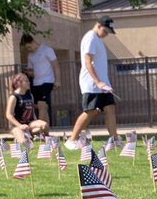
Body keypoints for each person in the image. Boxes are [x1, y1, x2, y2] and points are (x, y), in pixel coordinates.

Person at [65, 16, 118, 149]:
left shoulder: (97, 40)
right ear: (98, 25)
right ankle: (72, 140)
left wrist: (104, 83)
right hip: (92, 84)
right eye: (105, 31)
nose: (106, 34)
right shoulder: (90, 38)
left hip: (103, 84)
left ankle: (115, 140)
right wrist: (98, 82)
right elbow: (88, 62)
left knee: (110, 108)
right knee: (91, 111)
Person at [20, 33, 59, 124]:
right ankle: (46, 127)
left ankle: (40, 127)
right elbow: (32, 72)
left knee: (42, 105)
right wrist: (27, 72)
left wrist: (58, 80)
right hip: (36, 83)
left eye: (29, 47)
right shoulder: (30, 55)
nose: (29, 49)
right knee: (41, 106)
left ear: (32, 42)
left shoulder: (47, 50)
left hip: (47, 81)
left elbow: (55, 65)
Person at [5, 73, 47, 146]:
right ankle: (23, 136)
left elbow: (32, 110)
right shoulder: (14, 97)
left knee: (45, 125)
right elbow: (9, 115)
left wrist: (36, 120)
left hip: (30, 124)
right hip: (17, 125)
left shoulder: (29, 95)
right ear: (19, 83)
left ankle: (31, 134)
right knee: (24, 142)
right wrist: (20, 126)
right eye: (26, 81)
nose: (29, 83)